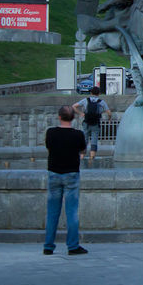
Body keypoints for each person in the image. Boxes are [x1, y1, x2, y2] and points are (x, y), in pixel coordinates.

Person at [43, 105, 89, 255]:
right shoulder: (78, 135)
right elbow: (83, 150)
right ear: (73, 118)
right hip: (71, 174)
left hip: (54, 173)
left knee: (52, 212)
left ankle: (48, 246)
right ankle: (73, 246)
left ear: (59, 117)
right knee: (72, 212)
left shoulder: (51, 133)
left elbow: (49, 148)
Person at [72, 86, 111, 165]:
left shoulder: (85, 100)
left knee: (85, 140)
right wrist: (109, 119)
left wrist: (81, 113)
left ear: (91, 93)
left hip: (86, 122)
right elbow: (109, 112)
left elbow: (74, 106)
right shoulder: (101, 102)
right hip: (96, 123)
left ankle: (82, 157)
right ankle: (91, 158)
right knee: (94, 140)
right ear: (99, 93)